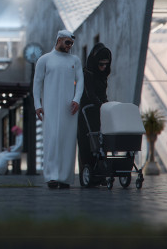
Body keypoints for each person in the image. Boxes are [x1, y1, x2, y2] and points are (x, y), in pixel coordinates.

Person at [33, 29, 84, 189]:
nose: (70, 46)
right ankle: (51, 177)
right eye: (67, 42)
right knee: (52, 140)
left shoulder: (75, 60)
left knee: (68, 142)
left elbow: (80, 81)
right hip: (50, 108)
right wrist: (38, 105)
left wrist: (76, 99)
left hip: (70, 110)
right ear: (59, 40)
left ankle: (65, 178)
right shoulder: (45, 59)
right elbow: (36, 84)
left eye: (72, 43)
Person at [76, 43, 111, 171]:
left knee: (100, 142)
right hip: (87, 112)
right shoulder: (87, 73)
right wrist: (101, 105)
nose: (103, 67)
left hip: (98, 112)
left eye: (106, 64)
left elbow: (103, 94)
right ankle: (87, 170)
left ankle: (100, 170)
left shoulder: (103, 75)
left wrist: (107, 105)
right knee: (87, 142)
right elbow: (90, 93)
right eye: (101, 64)